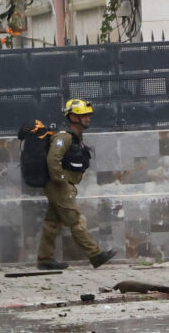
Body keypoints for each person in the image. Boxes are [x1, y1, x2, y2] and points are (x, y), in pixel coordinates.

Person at [36, 99, 116, 270]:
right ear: (73, 117)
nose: (87, 118)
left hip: (61, 185)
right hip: (59, 186)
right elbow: (53, 161)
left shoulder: (75, 137)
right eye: (83, 115)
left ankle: (45, 259)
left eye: (88, 115)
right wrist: (63, 180)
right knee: (76, 220)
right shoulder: (63, 137)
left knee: (52, 222)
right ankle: (95, 255)